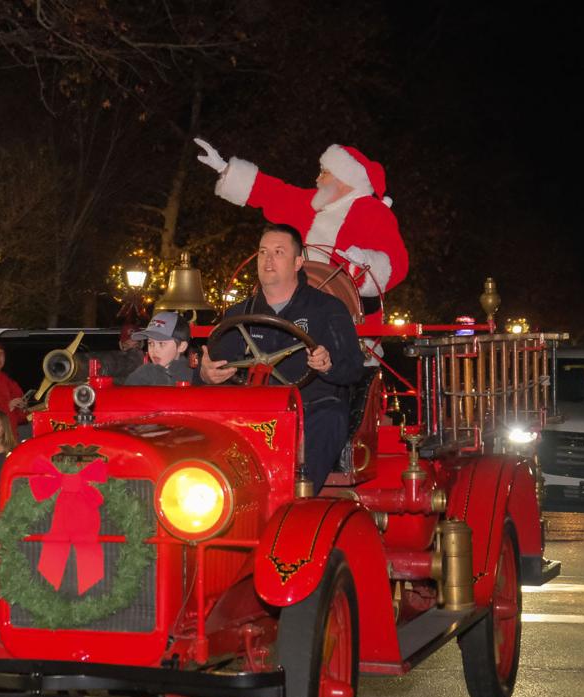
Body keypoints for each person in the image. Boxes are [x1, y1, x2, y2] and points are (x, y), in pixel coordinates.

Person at [201, 224, 365, 490]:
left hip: (308, 409)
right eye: (263, 252)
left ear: (298, 262)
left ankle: (294, 494)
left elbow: (353, 369)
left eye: (278, 252)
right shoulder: (239, 314)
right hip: (253, 410)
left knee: (331, 416)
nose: (268, 259)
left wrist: (328, 365)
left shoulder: (328, 309)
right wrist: (206, 374)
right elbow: (218, 365)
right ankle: (215, 489)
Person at [194, 139, 408, 323]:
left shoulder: (374, 212)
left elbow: (396, 264)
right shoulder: (313, 205)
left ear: (344, 179)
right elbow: (274, 194)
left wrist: (363, 266)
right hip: (299, 314)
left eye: (324, 173)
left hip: (351, 321)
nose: (317, 179)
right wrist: (225, 169)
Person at [124, 311, 194, 386]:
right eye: (150, 343)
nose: (154, 350)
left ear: (182, 346)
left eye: (161, 344)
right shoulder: (141, 376)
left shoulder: (194, 376)